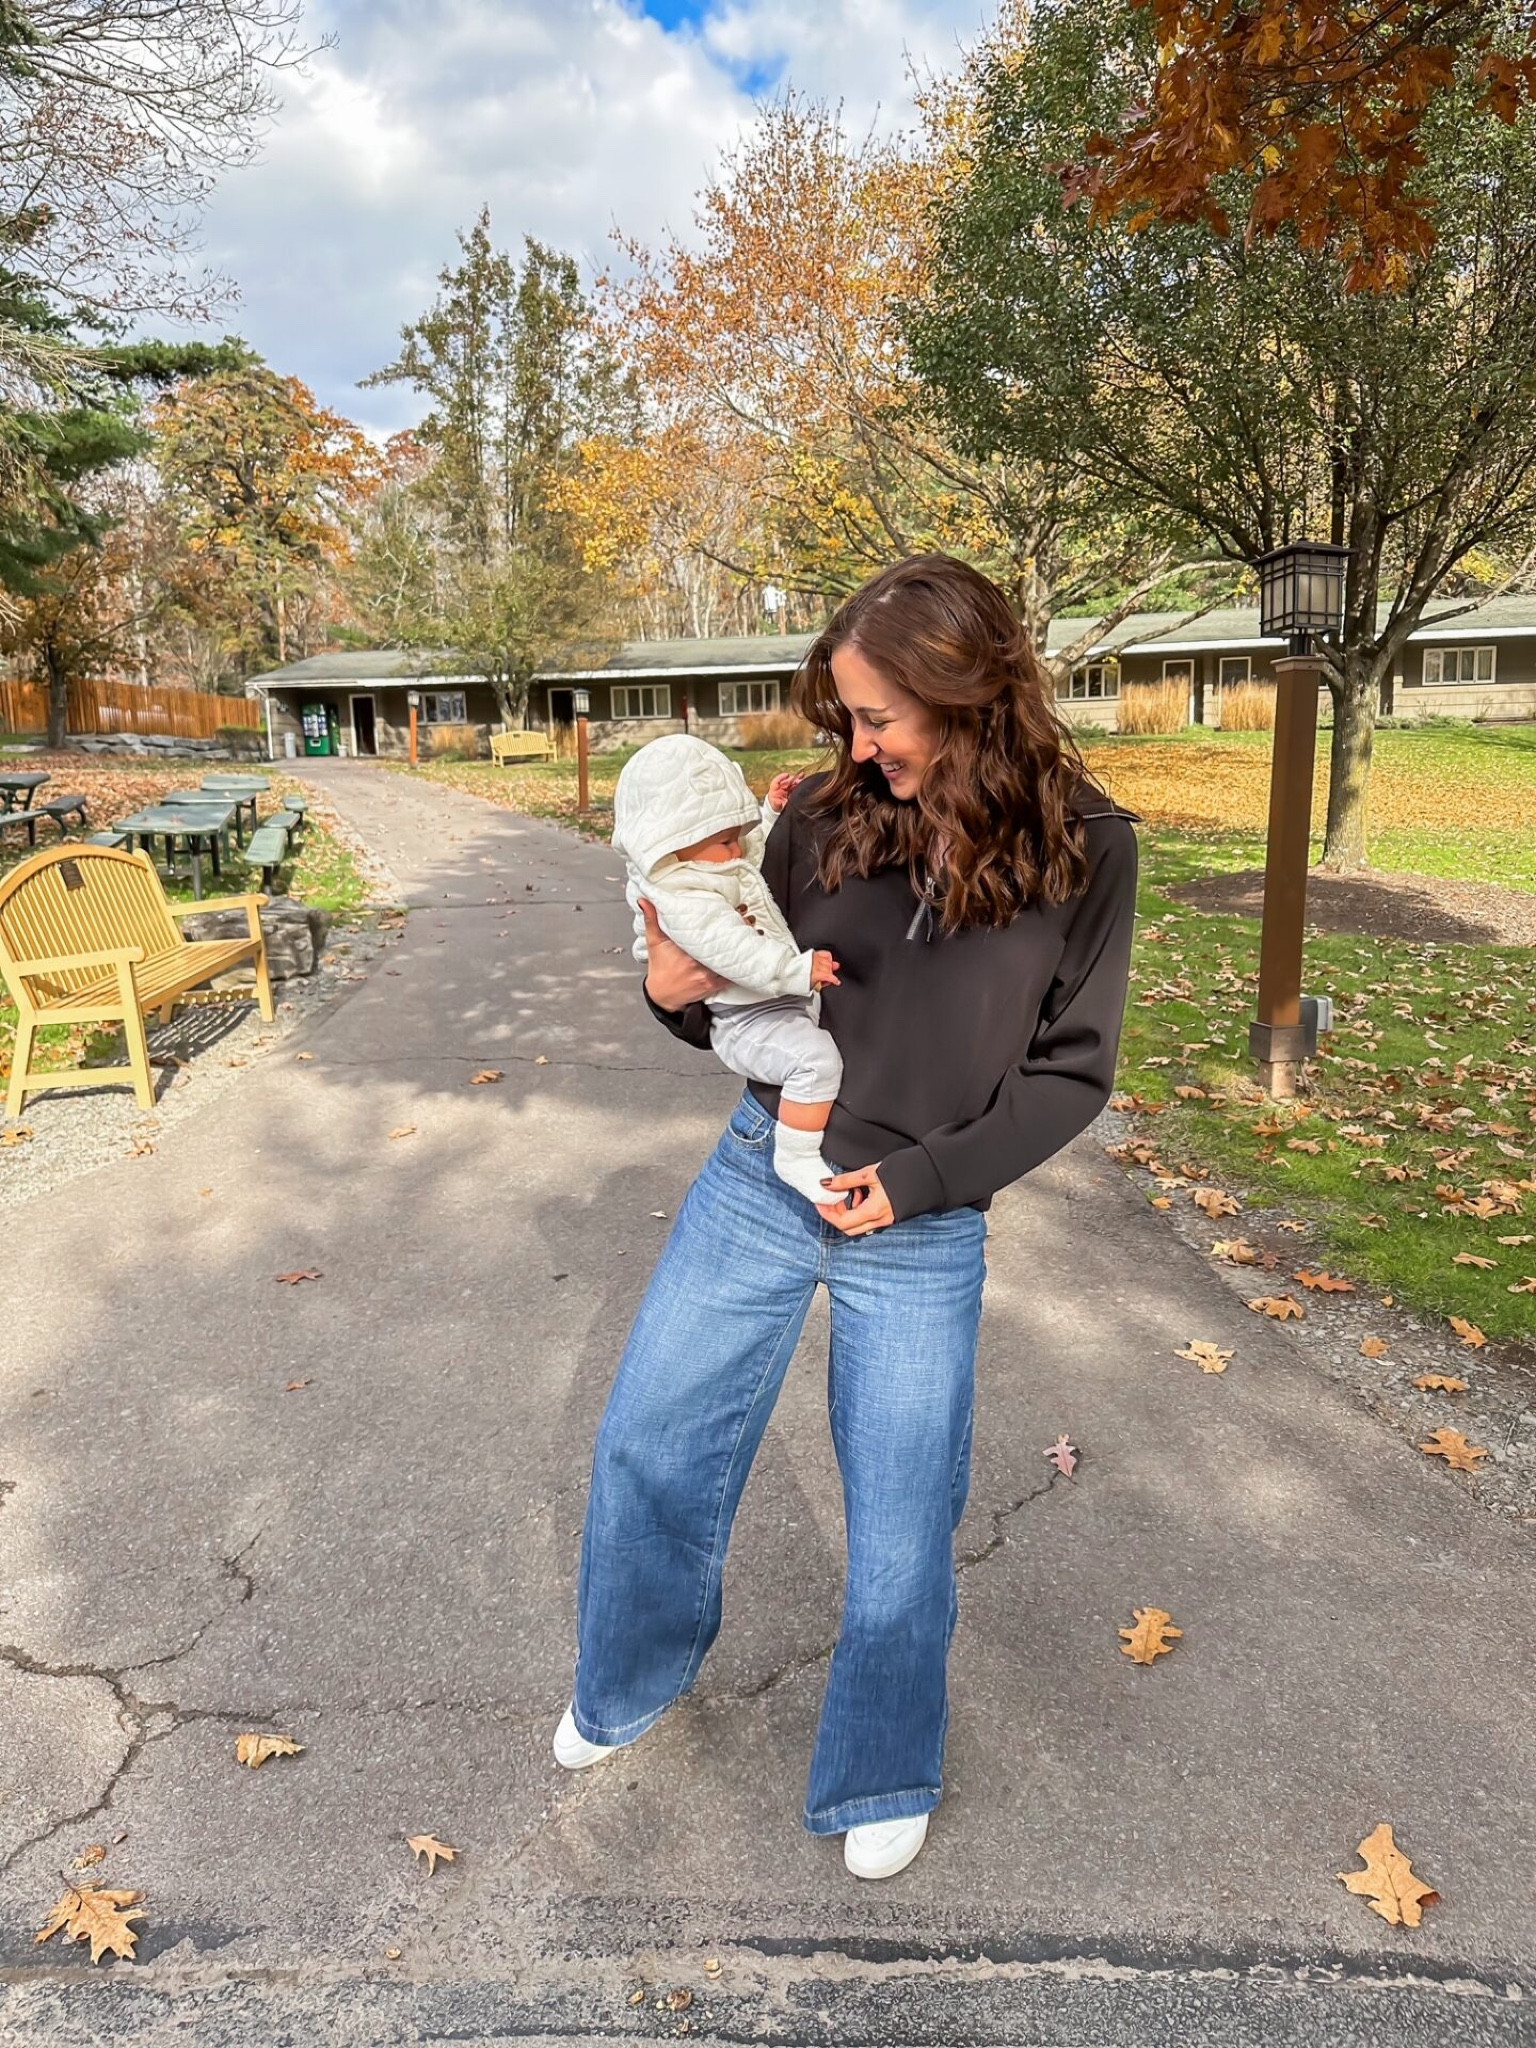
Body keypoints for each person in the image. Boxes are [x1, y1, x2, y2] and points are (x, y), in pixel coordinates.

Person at [556, 554, 1139, 1882]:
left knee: (900, 1521)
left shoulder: (1091, 848)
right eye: (850, 717)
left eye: (879, 717)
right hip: (766, 1169)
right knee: (650, 1438)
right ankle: (627, 1680)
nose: (858, 745)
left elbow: (1073, 1072)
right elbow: (743, 994)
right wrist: (667, 990)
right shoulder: (821, 816)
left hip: (920, 1220)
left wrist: (922, 1181)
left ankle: (882, 1761)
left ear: (970, 692)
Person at [612, 734, 845, 1206]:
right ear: (672, 843)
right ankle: (796, 1155)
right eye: (726, 840)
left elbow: (746, 860)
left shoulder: (704, 863)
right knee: (816, 1062)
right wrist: (792, 970)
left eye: (738, 834)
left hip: (765, 1003)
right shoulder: (682, 897)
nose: (737, 849)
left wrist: (769, 815)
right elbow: (729, 948)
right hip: (744, 1018)